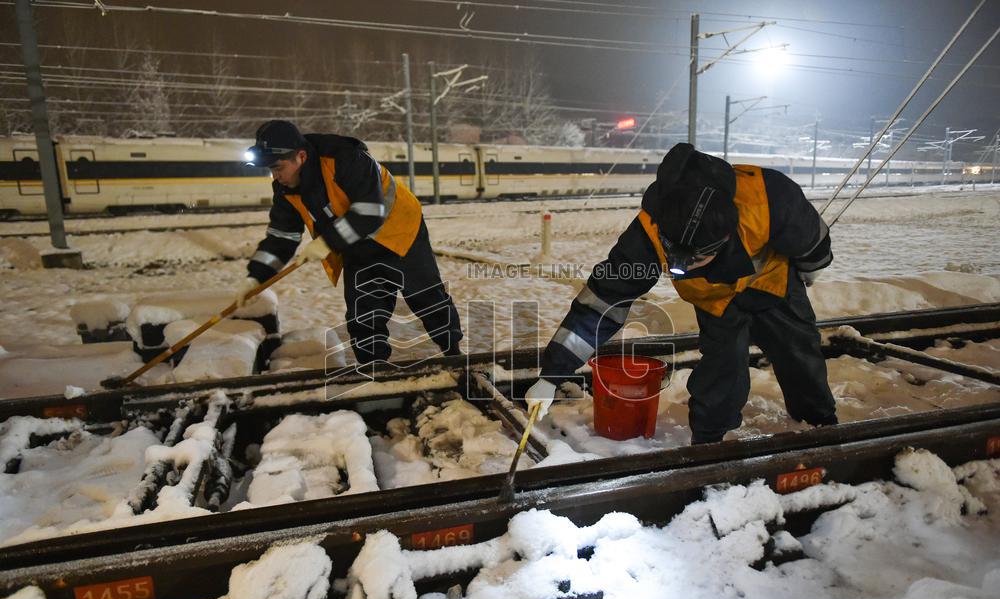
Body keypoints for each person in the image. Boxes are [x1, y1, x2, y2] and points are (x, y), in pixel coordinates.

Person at [525, 142, 837, 444]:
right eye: (673, 256)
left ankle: (819, 425)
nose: (681, 267)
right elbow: (600, 304)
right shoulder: (647, 235)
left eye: (696, 259)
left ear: (724, 237)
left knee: (799, 355)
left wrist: (813, 265)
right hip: (715, 304)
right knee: (721, 372)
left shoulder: (769, 199)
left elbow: (813, 241)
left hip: (775, 285)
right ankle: (709, 442)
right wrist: (552, 374)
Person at [238, 120, 463, 363]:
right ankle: (374, 371)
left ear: (300, 156)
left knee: (425, 296)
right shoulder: (286, 189)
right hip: (354, 241)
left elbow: (369, 210)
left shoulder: (345, 157)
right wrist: (256, 278)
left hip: (399, 231)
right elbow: (281, 237)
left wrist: (326, 243)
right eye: (271, 170)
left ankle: (452, 351)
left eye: (278, 168)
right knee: (364, 312)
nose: (275, 176)